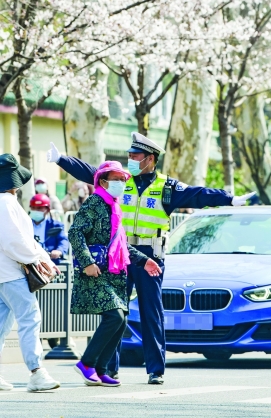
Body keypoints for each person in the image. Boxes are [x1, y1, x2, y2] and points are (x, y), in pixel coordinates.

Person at [47, 133, 254, 385]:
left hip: (150, 256)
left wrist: (228, 199)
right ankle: (109, 369)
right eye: (129, 156)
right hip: (120, 257)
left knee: (151, 313)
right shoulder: (120, 180)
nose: (130, 160)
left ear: (150, 159)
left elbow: (198, 194)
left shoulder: (167, 187)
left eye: (135, 156)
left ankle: (156, 370)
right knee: (116, 313)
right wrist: (61, 159)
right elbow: (90, 171)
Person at [69, 161, 161, 387]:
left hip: (113, 273)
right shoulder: (94, 202)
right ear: (102, 181)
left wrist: (145, 260)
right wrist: (88, 263)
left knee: (121, 320)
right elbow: (75, 232)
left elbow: (120, 245)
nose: (120, 183)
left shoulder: (115, 208)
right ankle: (86, 363)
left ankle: (101, 370)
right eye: (116, 179)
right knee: (115, 317)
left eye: (123, 180)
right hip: (95, 272)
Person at [0, 154, 60, 392]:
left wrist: (39, 257)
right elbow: (15, 242)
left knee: (3, 325)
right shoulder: (6, 203)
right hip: (11, 273)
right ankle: (36, 372)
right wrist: (39, 259)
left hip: (4, 273)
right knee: (29, 318)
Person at [30, 194, 70, 265]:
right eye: (33, 208)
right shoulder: (25, 224)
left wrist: (59, 251)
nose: (36, 210)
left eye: (39, 208)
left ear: (47, 209)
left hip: (50, 262)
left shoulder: (56, 225)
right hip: (31, 262)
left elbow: (63, 240)